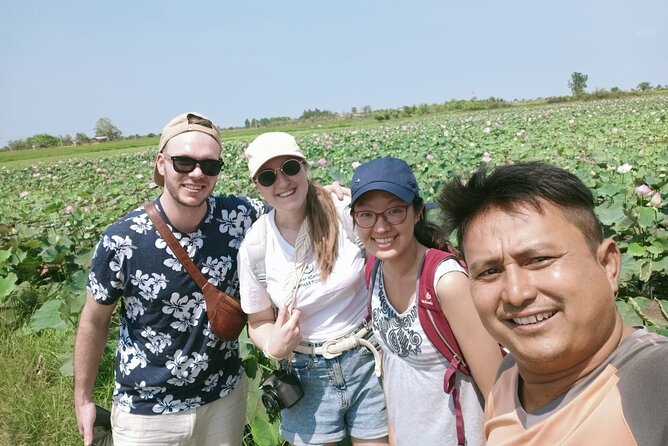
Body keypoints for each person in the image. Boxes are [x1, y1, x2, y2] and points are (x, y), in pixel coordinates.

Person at [437, 161, 668, 445]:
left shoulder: (656, 385)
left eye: (539, 260)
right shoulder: (508, 377)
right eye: (490, 272)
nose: (516, 293)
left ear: (608, 264)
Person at [73, 112, 266, 446]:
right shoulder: (123, 239)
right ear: (161, 163)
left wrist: (330, 194)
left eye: (210, 166)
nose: (196, 174)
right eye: (184, 162)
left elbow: (289, 201)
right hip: (146, 411)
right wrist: (84, 398)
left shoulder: (239, 216)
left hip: (223, 397)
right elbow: (94, 321)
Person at [237, 132, 389, 446]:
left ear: (305, 168)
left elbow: (389, 261)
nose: (282, 182)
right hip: (305, 372)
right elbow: (258, 321)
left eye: (290, 168)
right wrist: (273, 346)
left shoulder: (343, 212)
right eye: (268, 177)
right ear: (259, 189)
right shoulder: (256, 245)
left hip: (366, 357)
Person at [349, 157, 503, 446]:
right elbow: (394, 369)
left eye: (395, 212)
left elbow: (497, 389)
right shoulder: (373, 270)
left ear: (417, 212)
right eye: (366, 215)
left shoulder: (446, 282)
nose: (380, 228)